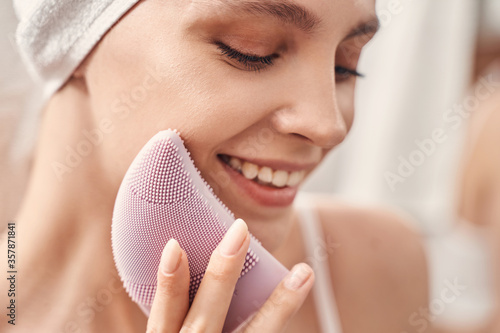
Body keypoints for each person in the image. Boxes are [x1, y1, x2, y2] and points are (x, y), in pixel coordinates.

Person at [0, 0, 429, 332]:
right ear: (70, 40)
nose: (328, 125)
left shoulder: (377, 265)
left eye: (344, 67)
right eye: (251, 50)